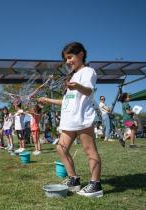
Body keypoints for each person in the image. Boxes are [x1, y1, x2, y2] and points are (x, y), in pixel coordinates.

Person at [38, 42, 103, 197]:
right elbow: (67, 101)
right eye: (66, 59)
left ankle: (96, 185)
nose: (67, 61)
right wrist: (48, 100)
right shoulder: (73, 76)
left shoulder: (88, 71)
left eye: (70, 57)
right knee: (61, 148)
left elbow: (88, 91)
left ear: (80, 54)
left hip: (81, 118)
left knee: (90, 151)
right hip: (69, 121)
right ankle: (73, 179)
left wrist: (77, 86)